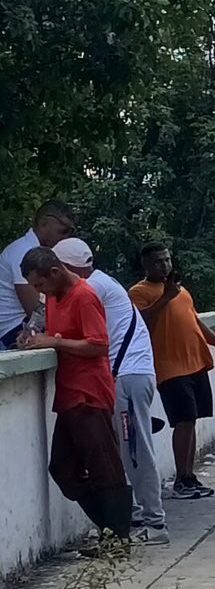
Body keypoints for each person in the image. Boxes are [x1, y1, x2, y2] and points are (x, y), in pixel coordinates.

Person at [55, 239, 168, 544]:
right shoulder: (103, 281)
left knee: (135, 450)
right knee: (124, 449)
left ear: (68, 267)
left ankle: (154, 524)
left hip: (127, 375)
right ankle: (132, 518)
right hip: (132, 372)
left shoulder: (91, 289)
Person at [18, 247, 131, 543]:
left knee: (103, 465)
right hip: (69, 394)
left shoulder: (84, 296)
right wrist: (35, 339)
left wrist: (55, 342)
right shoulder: (54, 298)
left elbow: (98, 346)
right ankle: (110, 527)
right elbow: (44, 332)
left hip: (90, 392)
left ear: (55, 272)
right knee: (64, 469)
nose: (39, 291)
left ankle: (118, 537)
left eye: (40, 285)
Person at [130, 242, 215, 499]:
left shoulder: (180, 291)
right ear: (146, 265)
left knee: (191, 421)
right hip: (169, 366)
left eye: (167, 260)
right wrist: (166, 296)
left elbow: (195, 321)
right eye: (158, 261)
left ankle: (189, 476)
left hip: (195, 363)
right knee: (182, 421)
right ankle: (181, 480)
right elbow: (139, 322)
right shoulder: (139, 291)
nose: (165, 265)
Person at [0, 201, 77, 349]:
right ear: (43, 223)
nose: (66, 238)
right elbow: (36, 309)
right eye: (62, 231)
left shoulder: (37, 251)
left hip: (25, 325)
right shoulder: (22, 252)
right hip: (13, 331)